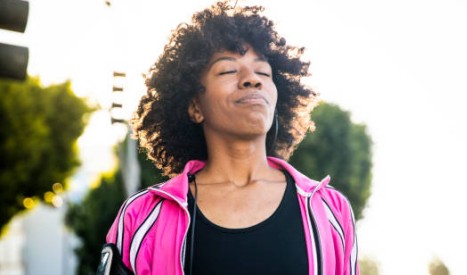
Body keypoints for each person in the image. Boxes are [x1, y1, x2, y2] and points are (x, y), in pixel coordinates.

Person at [98, 2, 360, 275]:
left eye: (263, 72)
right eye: (227, 70)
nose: (252, 80)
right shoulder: (141, 217)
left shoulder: (331, 211)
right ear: (195, 107)